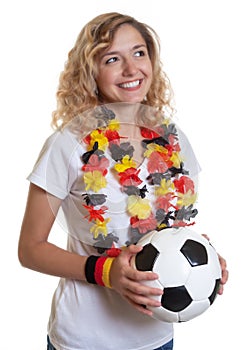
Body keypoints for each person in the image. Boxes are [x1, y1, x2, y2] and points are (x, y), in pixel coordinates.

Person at [18, 12, 228, 350]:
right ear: (92, 71)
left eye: (139, 52)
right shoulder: (69, 144)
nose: (132, 70)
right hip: (84, 340)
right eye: (113, 59)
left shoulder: (174, 140)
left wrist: (202, 261)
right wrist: (106, 271)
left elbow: (170, 232)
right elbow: (30, 249)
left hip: (157, 336)